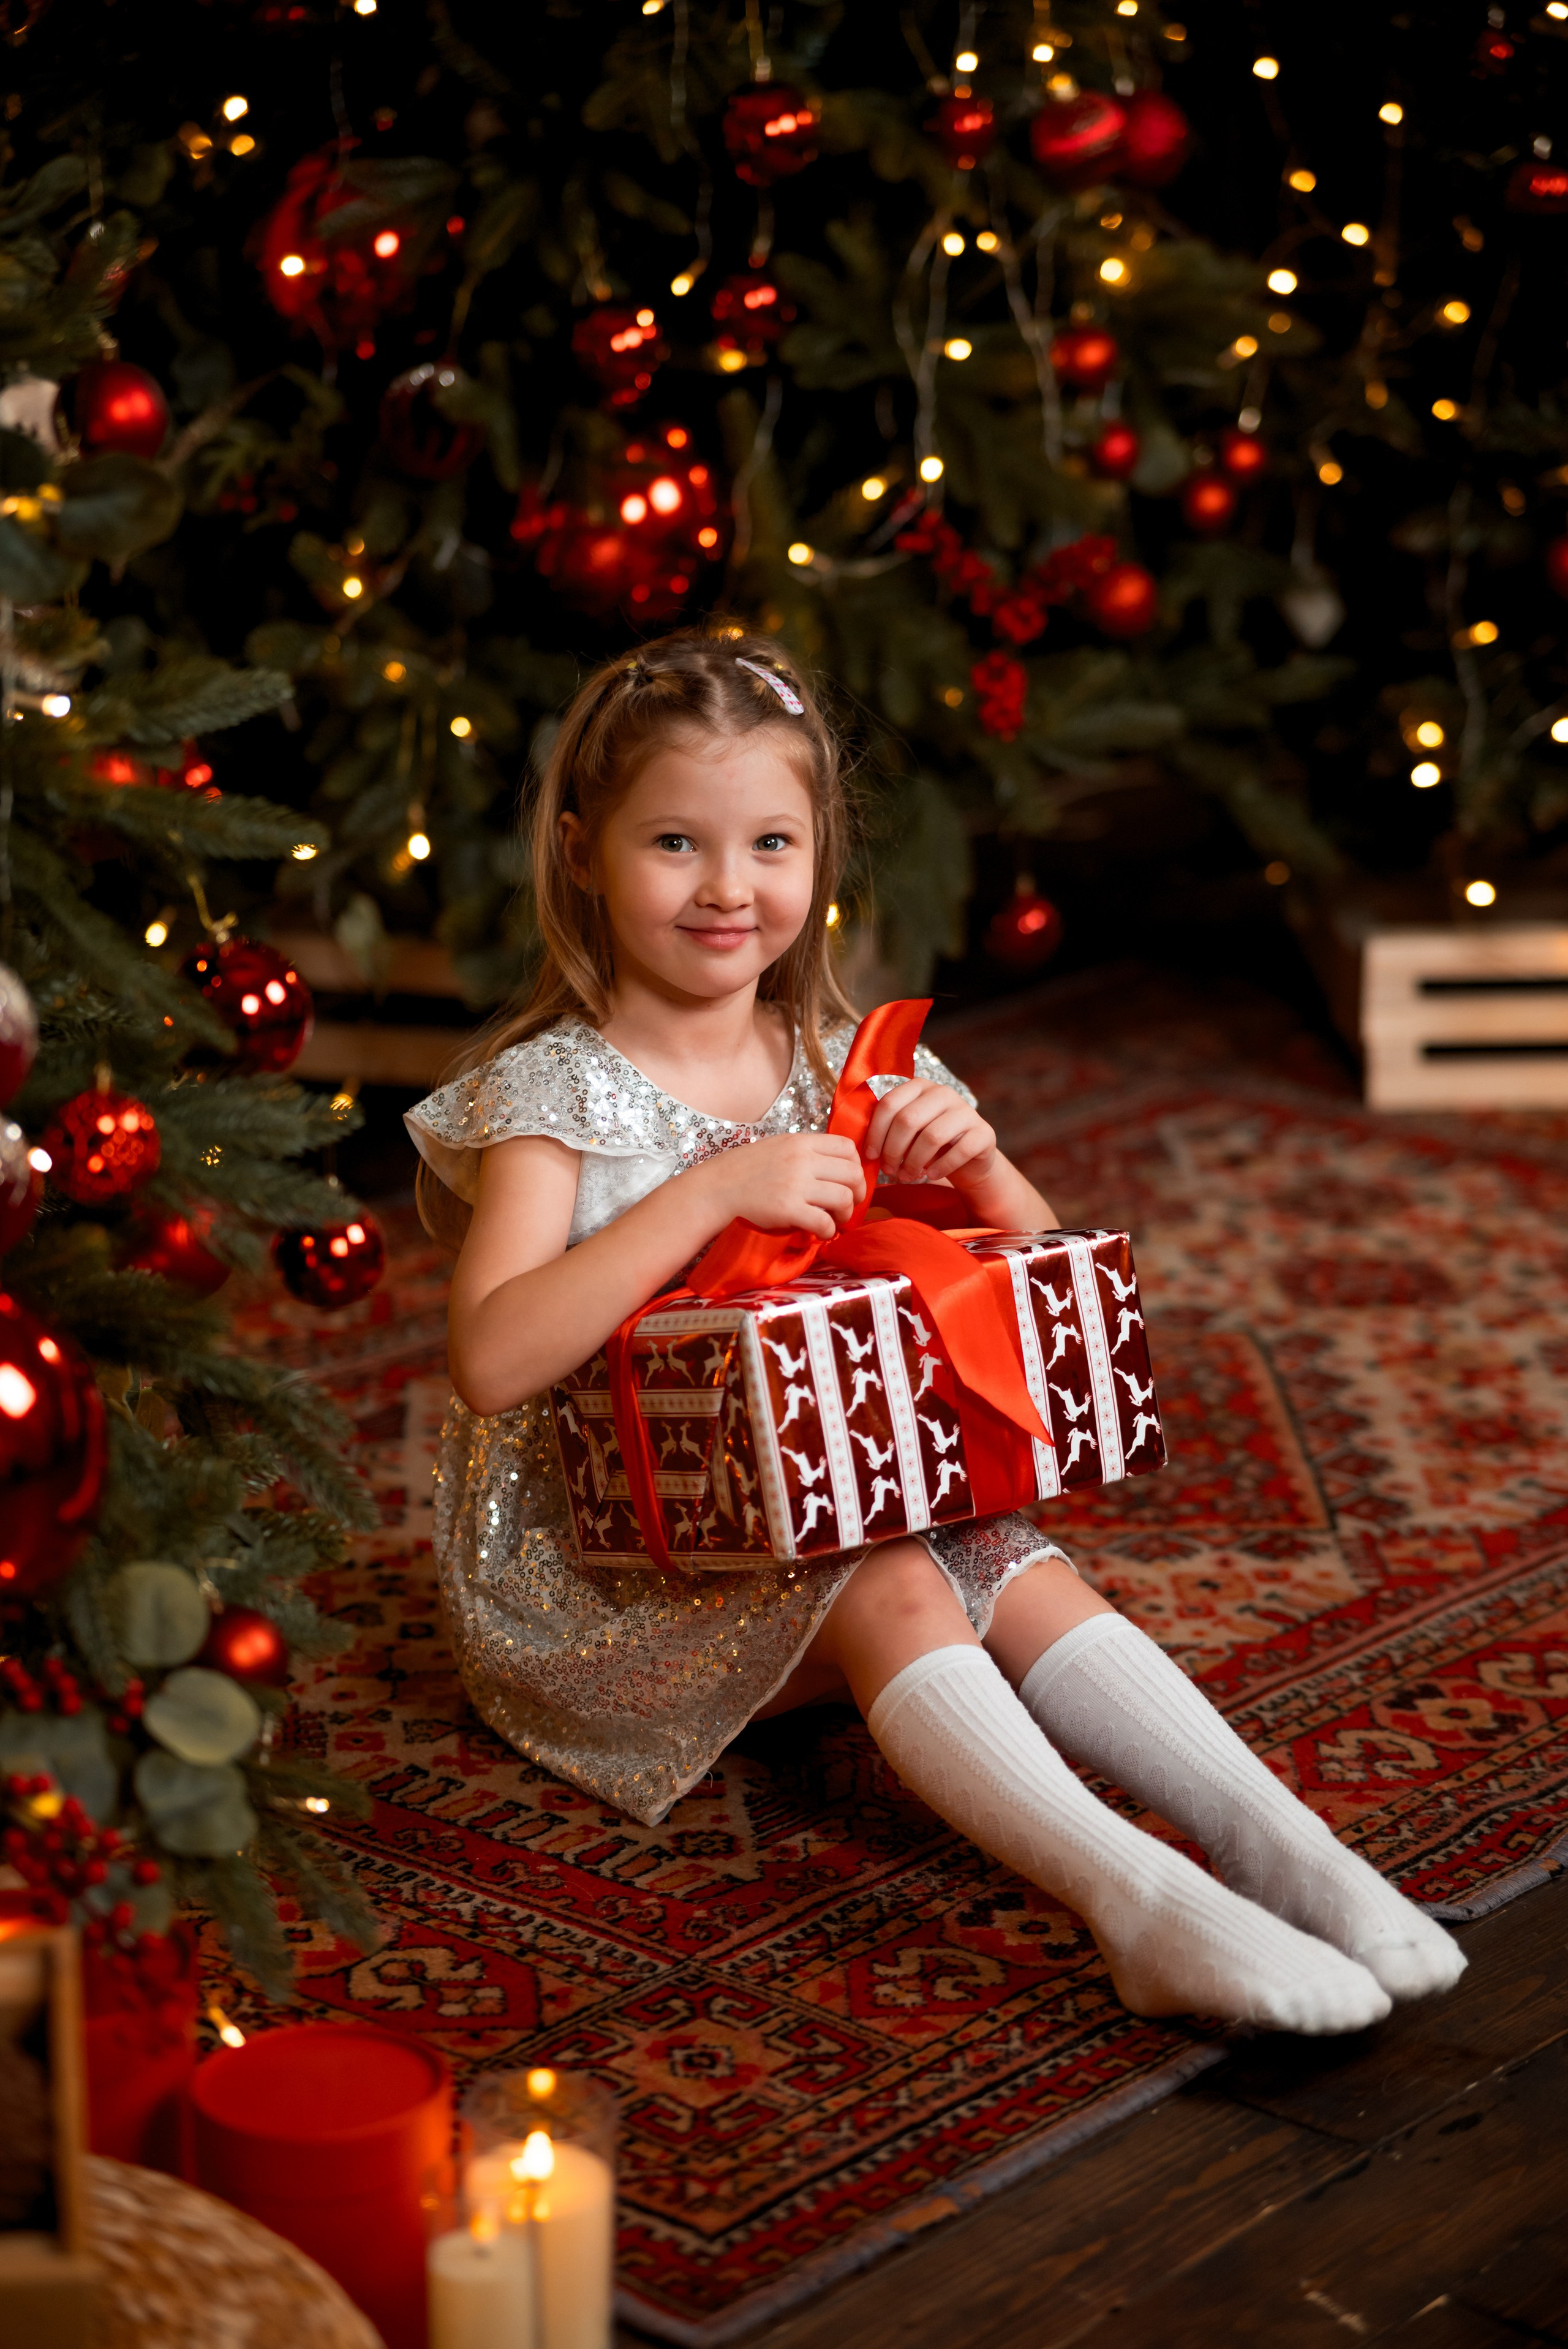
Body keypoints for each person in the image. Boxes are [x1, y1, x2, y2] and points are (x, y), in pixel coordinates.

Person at [407, 625, 1464, 2037]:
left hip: (809, 1501)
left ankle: (1284, 1846)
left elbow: (1040, 1297)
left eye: (770, 842)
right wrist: (713, 1189)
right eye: (674, 843)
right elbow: (490, 1358)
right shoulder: (552, 1094)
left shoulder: (854, 1056)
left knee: (1007, 1557)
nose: (728, 888)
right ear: (584, 848)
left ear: (819, 855)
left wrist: (976, 1167)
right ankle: (1136, 1901)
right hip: (603, 1573)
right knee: (893, 1574)